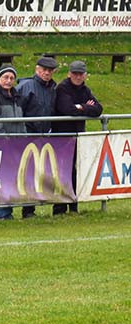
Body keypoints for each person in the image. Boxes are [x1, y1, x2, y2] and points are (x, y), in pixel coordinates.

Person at [51, 60, 103, 215]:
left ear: (85, 75)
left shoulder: (85, 90)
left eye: (80, 74)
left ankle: (74, 206)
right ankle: (59, 208)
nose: (78, 77)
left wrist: (80, 107)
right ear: (69, 74)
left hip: (78, 135)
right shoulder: (62, 88)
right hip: (62, 136)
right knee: (61, 171)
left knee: (77, 170)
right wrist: (85, 107)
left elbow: (98, 109)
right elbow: (67, 109)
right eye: (75, 73)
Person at [16, 56, 58, 218]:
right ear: (37, 69)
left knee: (40, 172)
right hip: (28, 136)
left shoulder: (53, 89)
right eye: (44, 70)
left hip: (45, 136)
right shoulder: (26, 87)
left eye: (50, 70)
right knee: (26, 172)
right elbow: (18, 111)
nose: (46, 73)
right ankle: (27, 209)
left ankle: (32, 207)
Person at [0, 63, 26, 221]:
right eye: (5, 77)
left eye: (11, 78)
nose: (8, 80)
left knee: (10, 180)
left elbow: (21, 121)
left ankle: (6, 212)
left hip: (15, 146)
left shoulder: (17, 98)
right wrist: (4, 142)